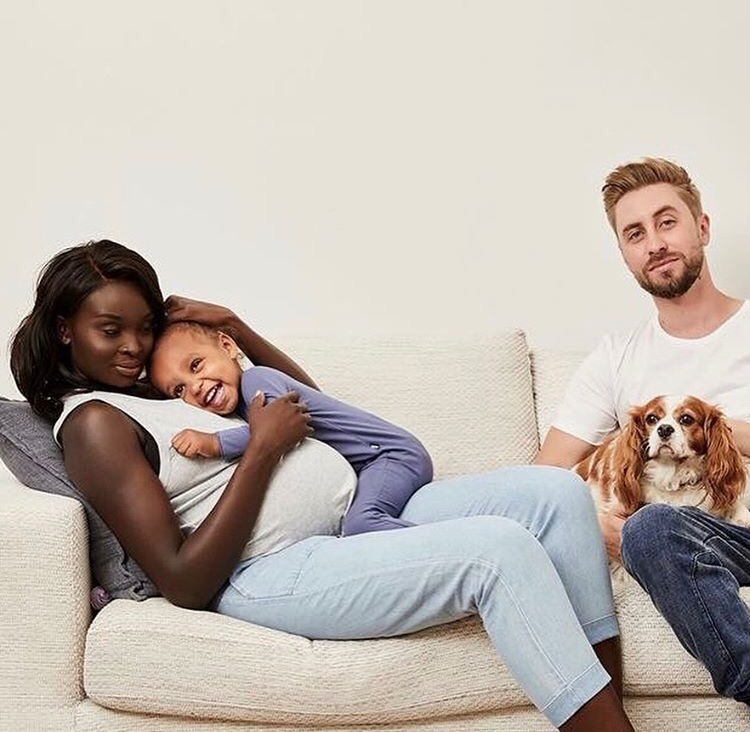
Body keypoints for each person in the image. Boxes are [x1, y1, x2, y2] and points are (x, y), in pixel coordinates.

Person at [11, 239, 634, 731]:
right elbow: (184, 581)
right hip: (272, 568)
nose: (133, 347)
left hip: (354, 517)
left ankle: (604, 710)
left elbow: (308, 405)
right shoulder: (94, 424)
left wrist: (235, 327)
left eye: (144, 327)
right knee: (497, 551)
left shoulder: (157, 383)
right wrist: (262, 450)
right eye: (110, 330)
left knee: (556, 494)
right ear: (65, 329)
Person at [536, 157, 750, 707]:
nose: (655, 243)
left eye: (667, 222)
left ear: (702, 227)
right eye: (635, 233)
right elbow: (543, 478)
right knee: (652, 529)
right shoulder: (616, 358)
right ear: (624, 253)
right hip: (689, 538)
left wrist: (720, 433)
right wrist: (596, 524)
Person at [146, 320, 433, 537]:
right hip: (373, 464)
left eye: (196, 365)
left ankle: (448, 545)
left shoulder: (257, 380)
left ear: (227, 347)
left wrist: (214, 443)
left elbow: (278, 429)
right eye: (179, 390)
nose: (195, 387)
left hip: (389, 456)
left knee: (360, 524)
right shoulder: (239, 407)